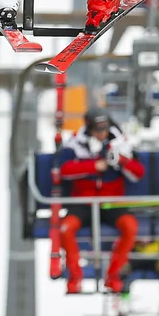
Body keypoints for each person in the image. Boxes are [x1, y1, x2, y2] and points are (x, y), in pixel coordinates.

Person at [59, 109, 145, 294]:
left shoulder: (121, 143)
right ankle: (75, 277)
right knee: (65, 228)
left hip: (111, 202)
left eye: (105, 129)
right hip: (83, 202)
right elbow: (64, 170)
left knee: (130, 227)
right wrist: (93, 166)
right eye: (97, 129)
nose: (102, 133)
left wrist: (121, 161)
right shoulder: (75, 144)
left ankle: (113, 275)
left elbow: (138, 173)